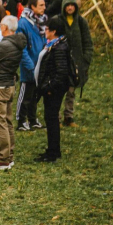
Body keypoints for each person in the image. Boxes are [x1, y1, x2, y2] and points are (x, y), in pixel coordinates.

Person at [49, 0, 92, 127]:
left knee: (71, 91)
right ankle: (56, 118)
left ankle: (69, 117)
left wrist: (85, 60)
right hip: (60, 62)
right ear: (63, 7)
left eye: (72, 5)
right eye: (67, 5)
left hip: (76, 63)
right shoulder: (57, 20)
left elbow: (87, 42)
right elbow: (50, 39)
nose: (70, 8)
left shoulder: (81, 22)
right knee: (58, 91)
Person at [0, 16, 24, 170]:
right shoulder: (16, 43)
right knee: (8, 122)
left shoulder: (4, 46)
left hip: (0, 86)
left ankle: (3, 158)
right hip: (9, 84)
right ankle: (9, 155)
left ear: (5, 27)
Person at [35, 17, 72, 163]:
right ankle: (52, 149)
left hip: (54, 90)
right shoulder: (54, 45)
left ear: (54, 31)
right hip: (51, 88)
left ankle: (53, 152)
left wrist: (50, 88)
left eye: (47, 29)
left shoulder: (59, 48)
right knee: (50, 119)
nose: (45, 31)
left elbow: (61, 73)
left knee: (51, 119)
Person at [16, 0, 46, 130]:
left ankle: (32, 119)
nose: (44, 8)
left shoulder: (41, 21)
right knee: (26, 94)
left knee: (35, 95)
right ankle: (21, 120)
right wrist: (30, 66)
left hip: (39, 65)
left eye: (44, 5)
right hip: (29, 66)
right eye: (41, 5)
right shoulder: (23, 23)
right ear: (33, 7)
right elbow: (21, 48)